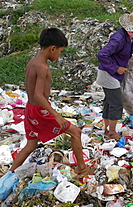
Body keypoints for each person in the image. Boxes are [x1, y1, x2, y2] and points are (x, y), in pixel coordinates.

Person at [9, 28, 94, 175]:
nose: (59, 55)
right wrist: (56, 114)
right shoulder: (43, 67)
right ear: (52, 48)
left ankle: (10, 173)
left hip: (29, 108)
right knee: (75, 132)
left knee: (31, 144)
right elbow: (38, 95)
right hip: (39, 110)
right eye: (60, 52)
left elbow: (30, 84)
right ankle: (82, 168)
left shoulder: (32, 62)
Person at [96, 9, 133, 140]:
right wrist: (116, 68)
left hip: (112, 74)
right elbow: (102, 54)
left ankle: (107, 130)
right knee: (117, 104)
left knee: (109, 102)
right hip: (108, 74)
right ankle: (112, 132)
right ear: (127, 27)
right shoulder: (118, 39)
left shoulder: (129, 38)